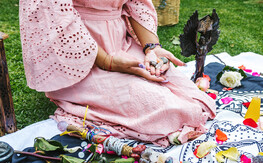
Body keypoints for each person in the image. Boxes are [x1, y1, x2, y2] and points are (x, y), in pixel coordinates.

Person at [19, 0, 216, 146]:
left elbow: (135, 4)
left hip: (122, 45)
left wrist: (151, 48)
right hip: (78, 54)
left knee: (190, 96)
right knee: (167, 109)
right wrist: (108, 62)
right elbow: (53, 17)